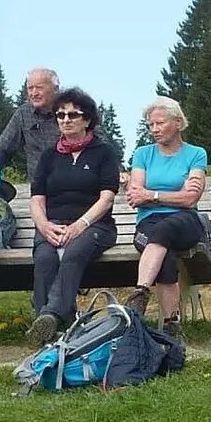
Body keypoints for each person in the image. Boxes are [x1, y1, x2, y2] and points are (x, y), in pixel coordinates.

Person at [24, 88, 121, 346]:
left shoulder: (105, 153)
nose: (66, 120)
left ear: (87, 120)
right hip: (52, 226)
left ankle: (49, 316)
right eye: (60, 115)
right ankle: (53, 330)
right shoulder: (49, 156)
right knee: (44, 257)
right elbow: (36, 198)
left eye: (73, 115)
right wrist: (43, 226)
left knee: (74, 252)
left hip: (95, 226)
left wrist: (80, 225)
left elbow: (107, 198)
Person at [124, 97, 208, 336]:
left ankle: (140, 292)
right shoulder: (142, 154)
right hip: (147, 222)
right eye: (151, 125)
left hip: (185, 221)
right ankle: (172, 326)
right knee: (166, 259)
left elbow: (190, 199)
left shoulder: (196, 154)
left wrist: (152, 195)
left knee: (163, 230)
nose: (154, 130)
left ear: (178, 123)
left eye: (160, 123)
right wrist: (172, 193)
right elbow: (135, 195)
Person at [0, 67, 61, 181]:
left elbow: (100, 146)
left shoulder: (73, 111)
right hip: (39, 188)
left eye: (39, 88)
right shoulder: (23, 113)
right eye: (30, 88)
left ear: (55, 89)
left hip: (72, 184)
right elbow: (3, 149)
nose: (34, 93)